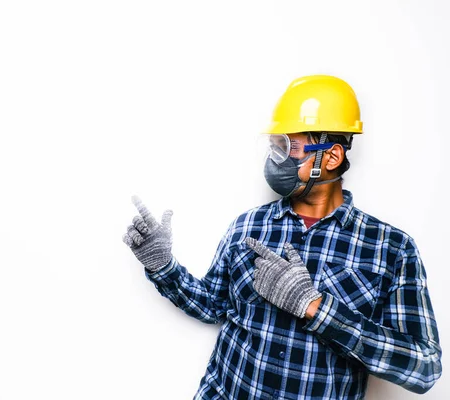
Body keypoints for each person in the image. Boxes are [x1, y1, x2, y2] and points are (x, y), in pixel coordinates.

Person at [122, 75, 442, 399]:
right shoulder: (247, 227)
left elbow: (423, 367)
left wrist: (316, 308)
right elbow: (212, 305)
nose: (276, 160)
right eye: (274, 146)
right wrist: (163, 265)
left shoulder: (391, 249)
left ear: (330, 157)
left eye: (288, 147)